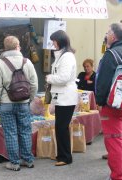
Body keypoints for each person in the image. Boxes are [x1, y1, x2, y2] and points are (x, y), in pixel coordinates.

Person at [0, 36, 38, 171]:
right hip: (23, 102)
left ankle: (15, 163)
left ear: (5, 48)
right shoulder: (27, 62)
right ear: (18, 46)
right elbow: (34, 84)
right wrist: (30, 98)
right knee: (25, 131)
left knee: (11, 133)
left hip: (6, 103)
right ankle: (28, 160)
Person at [95, 23, 122, 180]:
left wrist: (99, 102)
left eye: (107, 32)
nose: (106, 36)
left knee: (115, 141)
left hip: (111, 106)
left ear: (113, 36)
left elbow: (102, 82)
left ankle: (117, 176)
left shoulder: (110, 55)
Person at [45, 30, 78, 166]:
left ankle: (65, 157)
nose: (52, 43)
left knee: (61, 127)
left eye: (53, 41)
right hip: (62, 97)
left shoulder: (67, 56)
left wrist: (49, 78)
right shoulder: (62, 56)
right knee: (60, 127)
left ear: (59, 41)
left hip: (66, 98)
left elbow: (64, 78)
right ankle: (62, 155)